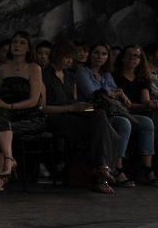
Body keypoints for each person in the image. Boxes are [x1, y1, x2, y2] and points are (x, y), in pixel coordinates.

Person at [42, 41, 121, 194]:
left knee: (100, 115)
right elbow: (43, 108)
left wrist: (84, 107)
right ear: (58, 55)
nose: (70, 61)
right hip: (54, 116)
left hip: (73, 113)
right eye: (67, 58)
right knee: (106, 133)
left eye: (71, 58)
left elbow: (74, 101)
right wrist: (71, 108)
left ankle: (100, 169)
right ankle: (101, 174)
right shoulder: (44, 75)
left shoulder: (70, 76)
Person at [76, 42, 158, 187]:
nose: (100, 56)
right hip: (93, 112)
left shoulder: (106, 74)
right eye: (96, 53)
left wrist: (117, 94)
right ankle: (118, 168)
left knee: (147, 122)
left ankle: (147, 168)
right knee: (123, 122)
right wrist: (116, 94)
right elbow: (94, 94)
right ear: (90, 55)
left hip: (112, 111)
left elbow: (116, 93)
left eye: (104, 54)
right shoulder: (83, 71)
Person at [0, 31, 45, 194]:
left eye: (22, 42)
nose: (17, 45)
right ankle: (8, 162)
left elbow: (34, 101)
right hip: (8, 115)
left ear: (28, 48)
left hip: (30, 116)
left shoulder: (34, 68)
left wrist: (8, 106)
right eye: (15, 42)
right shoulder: (3, 68)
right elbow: (3, 95)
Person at [114, 45, 158, 182]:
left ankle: (157, 164)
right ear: (122, 57)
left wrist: (153, 104)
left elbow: (145, 101)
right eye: (129, 54)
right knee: (155, 118)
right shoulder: (115, 77)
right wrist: (147, 105)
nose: (132, 58)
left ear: (140, 60)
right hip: (123, 111)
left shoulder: (142, 78)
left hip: (140, 110)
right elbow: (126, 105)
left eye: (136, 56)